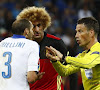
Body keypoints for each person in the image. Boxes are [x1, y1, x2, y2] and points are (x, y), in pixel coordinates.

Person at [16, 6, 67, 90]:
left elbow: (68, 68)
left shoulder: (57, 42)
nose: (36, 29)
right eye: (33, 26)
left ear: (44, 25)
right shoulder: (22, 45)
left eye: (39, 25)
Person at [46, 17, 100, 90]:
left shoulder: (98, 50)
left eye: (80, 31)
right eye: (76, 32)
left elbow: (87, 63)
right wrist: (54, 60)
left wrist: (64, 58)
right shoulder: (82, 55)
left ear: (91, 33)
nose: (76, 36)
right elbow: (65, 71)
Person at [0, 19, 45, 90]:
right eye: (31, 29)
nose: (33, 33)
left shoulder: (2, 43)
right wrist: (36, 77)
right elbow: (31, 78)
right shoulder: (32, 45)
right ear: (26, 31)